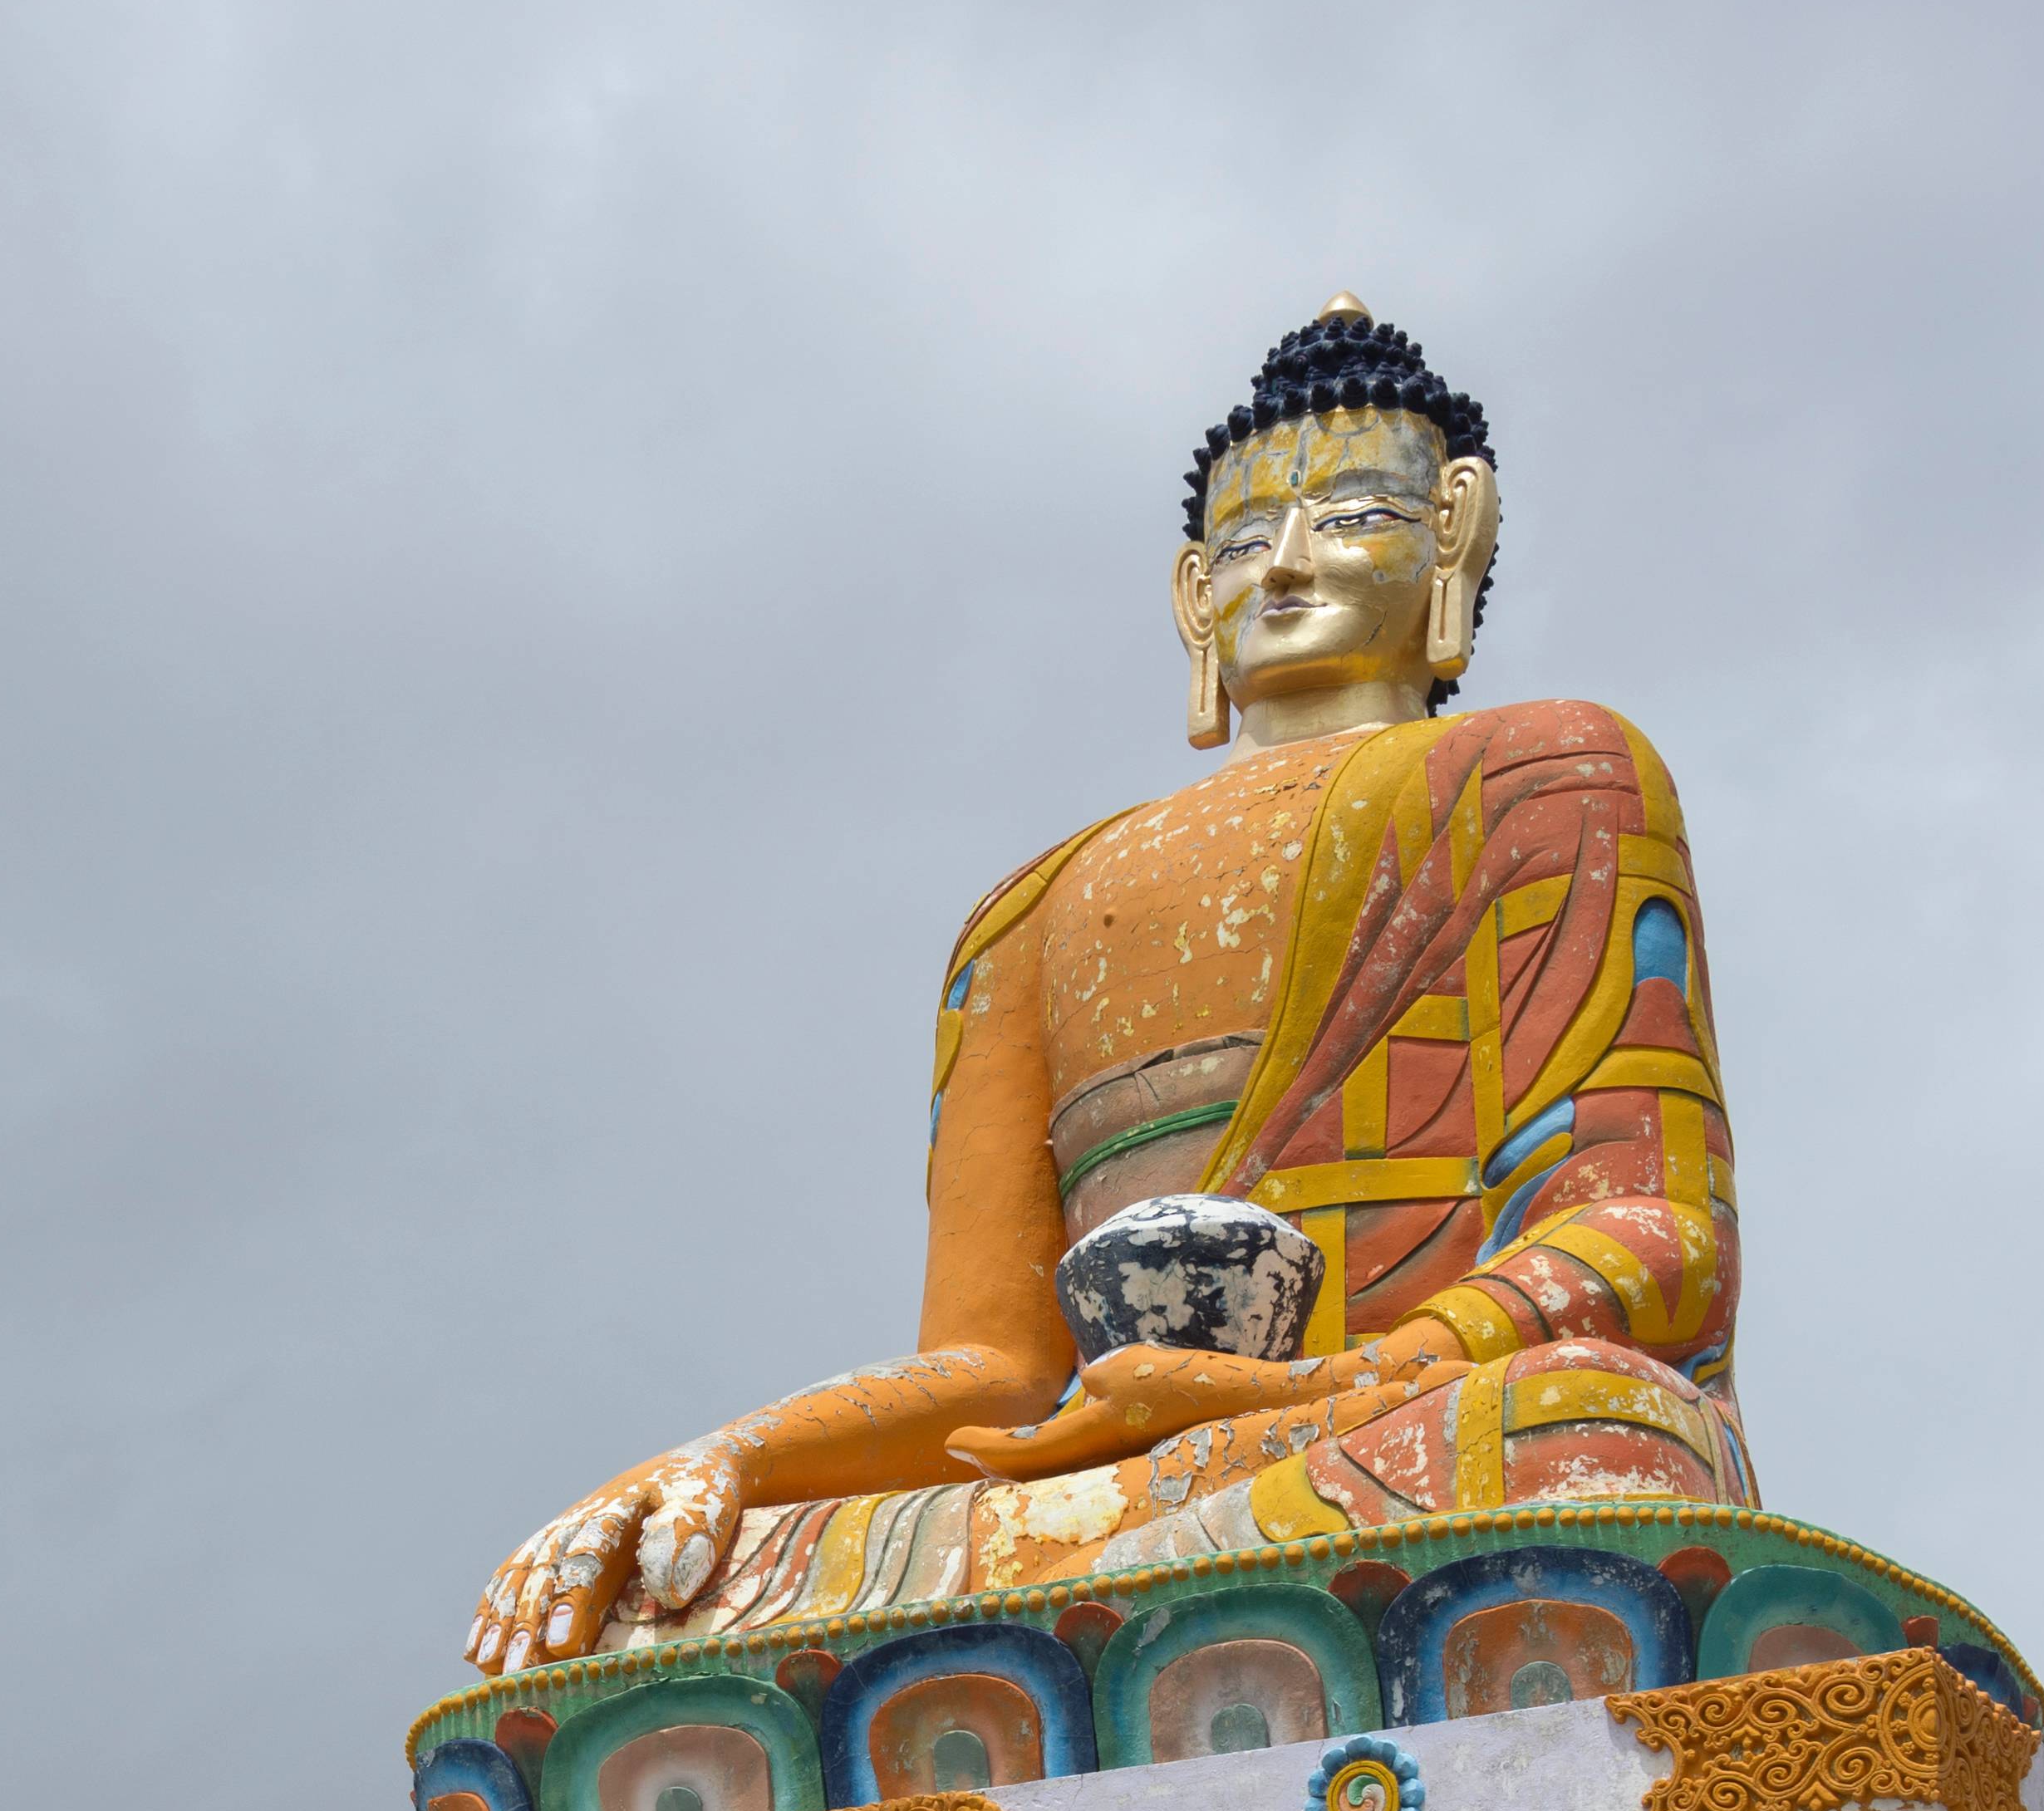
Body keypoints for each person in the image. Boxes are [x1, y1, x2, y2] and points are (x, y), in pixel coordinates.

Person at [470, 300, 1748, 1680]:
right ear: (1192, 591)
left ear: (1456, 528)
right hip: (1105, 1483)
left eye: (1356, 517)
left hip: (1393, 1427)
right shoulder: (1030, 908)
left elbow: (1651, 1224)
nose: (1291, 565)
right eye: (1247, 542)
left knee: (1590, 1430)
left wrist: (1320, 1386)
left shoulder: (1548, 773)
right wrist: (718, 1463)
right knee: (677, 1592)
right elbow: (993, 1374)